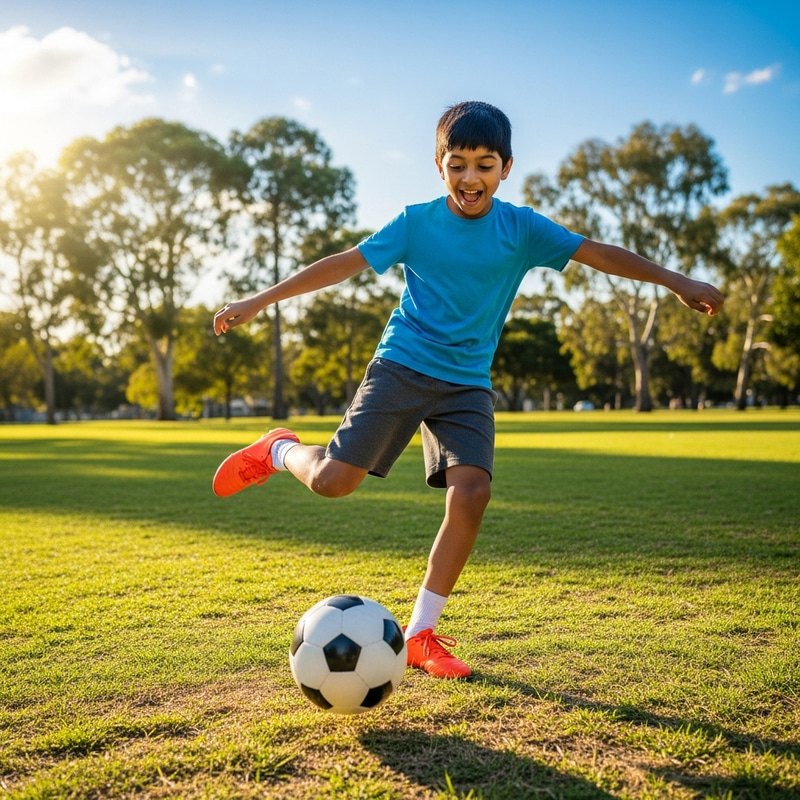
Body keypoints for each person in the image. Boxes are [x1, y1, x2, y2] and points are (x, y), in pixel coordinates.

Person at [211, 101, 724, 679]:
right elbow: (343, 264)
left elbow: (600, 254)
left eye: (484, 164)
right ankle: (279, 449)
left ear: (506, 167)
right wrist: (259, 299)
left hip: (467, 384)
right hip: (402, 365)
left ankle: (421, 633)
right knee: (333, 483)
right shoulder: (416, 222)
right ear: (439, 166)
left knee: (472, 492)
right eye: (457, 164)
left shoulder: (522, 228)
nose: (470, 177)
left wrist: (676, 281)